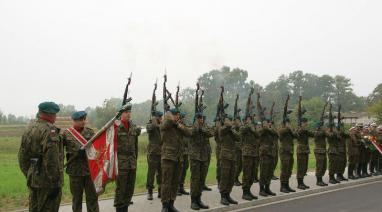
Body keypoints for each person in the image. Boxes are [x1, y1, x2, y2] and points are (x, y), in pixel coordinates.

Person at [18, 102, 64, 212]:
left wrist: (30, 173)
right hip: (48, 184)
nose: (55, 117)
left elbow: (22, 156)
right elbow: (52, 159)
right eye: (54, 115)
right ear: (49, 114)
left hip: (33, 179)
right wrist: (55, 184)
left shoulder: (29, 128)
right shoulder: (50, 130)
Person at [62, 111, 99, 212]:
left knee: (92, 198)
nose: (83, 121)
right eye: (80, 120)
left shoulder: (90, 132)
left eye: (84, 119)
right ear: (74, 121)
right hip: (74, 172)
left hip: (89, 171)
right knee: (77, 199)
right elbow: (60, 150)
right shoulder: (66, 134)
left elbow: (97, 149)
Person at [160, 108, 191, 212]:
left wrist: (179, 126)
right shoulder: (167, 122)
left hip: (178, 157)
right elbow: (163, 125)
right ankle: (165, 205)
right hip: (168, 157)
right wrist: (170, 117)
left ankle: (171, 204)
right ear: (171, 115)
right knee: (166, 182)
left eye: (178, 115)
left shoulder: (179, 124)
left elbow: (189, 133)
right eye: (176, 115)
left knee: (175, 182)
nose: (178, 116)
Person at [114, 104, 141, 212]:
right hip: (121, 164)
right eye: (126, 112)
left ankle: (125, 209)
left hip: (132, 163)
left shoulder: (133, 127)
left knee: (129, 190)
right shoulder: (116, 127)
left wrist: (135, 159)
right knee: (121, 190)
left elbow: (135, 145)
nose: (128, 114)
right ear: (121, 113)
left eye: (129, 112)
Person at [189, 113, 213, 210]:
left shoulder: (205, 127)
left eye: (202, 118)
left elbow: (211, 132)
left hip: (204, 157)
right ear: (196, 119)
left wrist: (202, 129)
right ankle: (193, 201)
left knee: (202, 180)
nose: (201, 120)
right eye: (199, 118)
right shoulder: (193, 126)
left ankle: (199, 199)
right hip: (195, 157)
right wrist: (197, 126)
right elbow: (190, 133)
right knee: (195, 179)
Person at [219, 115, 240, 205]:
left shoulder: (232, 129)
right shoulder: (222, 129)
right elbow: (223, 130)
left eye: (231, 120)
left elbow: (238, 138)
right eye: (229, 120)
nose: (230, 122)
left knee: (231, 177)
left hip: (233, 156)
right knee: (225, 176)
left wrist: (231, 129)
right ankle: (223, 196)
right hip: (225, 156)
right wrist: (229, 126)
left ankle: (228, 195)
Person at [240, 115, 259, 201]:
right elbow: (242, 132)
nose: (249, 121)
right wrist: (248, 126)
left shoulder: (253, 128)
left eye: (250, 120)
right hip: (247, 154)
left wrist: (252, 128)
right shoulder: (243, 127)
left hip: (254, 153)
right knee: (247, 173)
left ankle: (249, 190)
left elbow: (258, 135)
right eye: (247, 120)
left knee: (252, 174)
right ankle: (245, 192)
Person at [146, 111, 163, 200]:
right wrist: (154, 120)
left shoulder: (162, 125)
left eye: (161, 117)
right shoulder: (150, 124)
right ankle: (150, 192)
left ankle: (160, 190)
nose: (161, 118)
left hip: (161, 153)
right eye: (159, 117)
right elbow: (149, 128)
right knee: (151, 173)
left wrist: (160, 123)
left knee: (161, 173)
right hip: (152, 153)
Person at [258, 119, 276, 197]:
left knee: (269, 172)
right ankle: (261, 189)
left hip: (271, 154)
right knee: (263, 172)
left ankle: (267, 188)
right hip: (264, 154)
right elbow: (259, 133)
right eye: (265, 123)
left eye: (268, 123)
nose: (267, 124)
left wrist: (269, 128)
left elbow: (276, 134)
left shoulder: (270, 131)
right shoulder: (261, 131)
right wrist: (265, 127)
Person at [278, 118, 296, 193]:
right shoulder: (282, 130)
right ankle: (282, 186)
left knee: (289, 169)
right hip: (284, 152)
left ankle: (287, 185)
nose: (289, 124)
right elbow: (280, 133)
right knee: (284, 169)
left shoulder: (289, 130)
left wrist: (291, 129)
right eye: (287, 123)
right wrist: (287, 128)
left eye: (289, 123)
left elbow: (296, 136)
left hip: (290, 152)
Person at [295, 118, 314, 190]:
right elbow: (297, 134)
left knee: (304, 167)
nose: (306, 124)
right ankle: (299, 184)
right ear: (302, 123)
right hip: (301, 151)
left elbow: (312, 134)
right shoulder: (299, 130)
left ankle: (302, 182)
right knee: (300, 167)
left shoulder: (305, 130)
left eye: (306, 122)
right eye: (305, 122)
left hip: (305, 151)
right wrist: (301, 128)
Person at [178, 112, 190, 196]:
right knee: (179, 170)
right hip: (180, 151)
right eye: (182, 117)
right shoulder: (177, 126)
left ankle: (181, 187)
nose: (183, 119)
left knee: (184, 169)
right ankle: (177, 188)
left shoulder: (184, 126)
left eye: (183, 118)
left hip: (186, 151)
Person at [313, 122, 328, 186]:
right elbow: (321, 133)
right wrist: (322, 129)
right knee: (320, 166)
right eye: (321, 126)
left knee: (323, 166)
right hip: (319, 151)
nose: (323, 127)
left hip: (323, 151)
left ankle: (320, 179)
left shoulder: (322, 132)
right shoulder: (317, 132)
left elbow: (329, 135)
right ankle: (318, 181)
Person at [233, 116, 243, 186]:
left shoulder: (241, 128)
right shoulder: (233, 129)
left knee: (240, 165)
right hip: (236, 150)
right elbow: (237, 137)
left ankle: (236, 178)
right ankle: (234, 179)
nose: (237, 122)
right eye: (236, 121)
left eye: (238, 121)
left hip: (241, 149)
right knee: (237, 165)